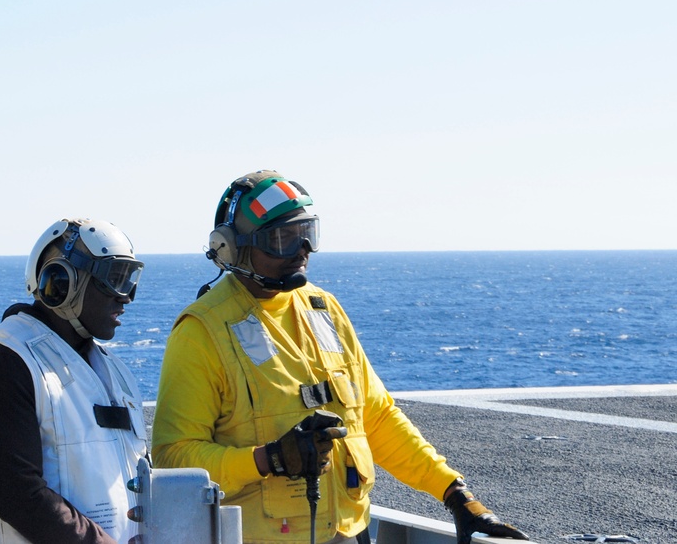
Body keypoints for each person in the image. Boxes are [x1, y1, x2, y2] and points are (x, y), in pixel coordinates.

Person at [152, 170, 529, 544]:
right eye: (282, 239)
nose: (301, 250)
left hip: (348, 534)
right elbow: (174, 458)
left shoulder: (324, 310)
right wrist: (268, 459)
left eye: (306, 234)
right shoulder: (202, 330)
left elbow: (376, 417)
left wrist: (455, 494)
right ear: (233, 249)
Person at [0, 218, 147, 544]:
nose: (125, 297)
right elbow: (17, 494)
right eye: (114, 279)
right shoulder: (0, 362)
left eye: (129, 281)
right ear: (61, 282)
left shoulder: (116, 372)